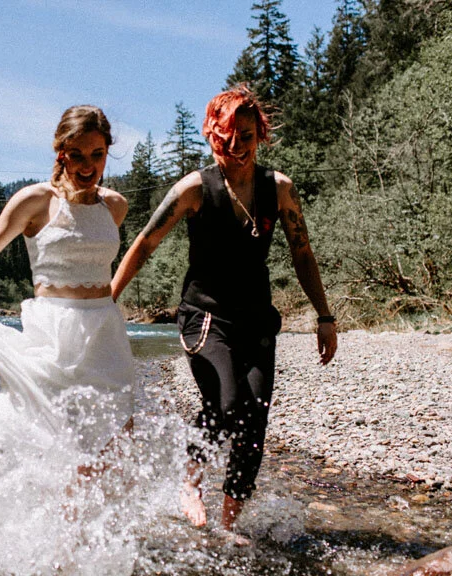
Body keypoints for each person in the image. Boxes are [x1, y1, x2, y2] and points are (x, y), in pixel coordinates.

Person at [111, 85, 337, 537]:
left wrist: (325, 316)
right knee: (227, 402)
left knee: (255, 416)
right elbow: (146, 243)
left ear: (260, 134)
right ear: (214, 136)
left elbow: (303, 254)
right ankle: (190, 480)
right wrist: (107, 299)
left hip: (255, 319)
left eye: (247, 136)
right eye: (227, 138)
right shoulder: (195, 189)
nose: (237, 148)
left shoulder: (280, 190)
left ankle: (231, 520)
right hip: (205, 317)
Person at [0, 105, 134, 462]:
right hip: (54, 332)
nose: (87, 166)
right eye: (76, 155)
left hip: (106, 333)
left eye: (97, 154)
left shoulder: (115, 206)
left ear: (108, 152)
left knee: (115, 435)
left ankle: (101, 516)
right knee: (54, 431)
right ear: (61, 153)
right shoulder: (35, 200)